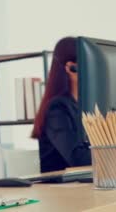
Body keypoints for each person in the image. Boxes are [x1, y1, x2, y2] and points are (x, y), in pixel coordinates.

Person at [31, 36, 91, 173]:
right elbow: (78, 159)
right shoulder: (57, 109)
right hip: (60, 189)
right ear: (71, 68)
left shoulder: (84, 107)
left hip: (82, 184)